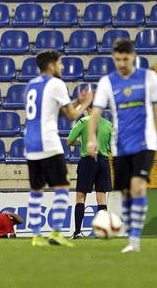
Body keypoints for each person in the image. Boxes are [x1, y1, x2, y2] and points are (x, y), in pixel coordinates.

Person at [87, 37, 157, 254]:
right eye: (118, 59)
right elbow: (95, 113)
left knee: (138, 186)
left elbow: (155, 109)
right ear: (113, 58)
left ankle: (134, 240)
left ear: (134, 57)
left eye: (125, 59)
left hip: (145, 142)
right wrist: (91, 138)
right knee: (126, 193)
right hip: (120, 145)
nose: (122, 63)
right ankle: (130, 234)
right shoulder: (107, 82)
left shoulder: (149, 78)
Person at [24, 50, 92, 248]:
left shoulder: (31, 85)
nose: (62, 67)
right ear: (52, 66)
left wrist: (76, 101)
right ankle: (55, 233)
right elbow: (71, 116)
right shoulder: (56, 83)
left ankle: (36, 236)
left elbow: (50, 111)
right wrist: (85, 103)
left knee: (36, 190)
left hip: (30, 144)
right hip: (49, 143)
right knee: (62, 186)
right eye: (60, 64)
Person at [67, 108, 112, 239]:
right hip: (103, 162)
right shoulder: (108, 124)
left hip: (87, 162)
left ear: (88, 108)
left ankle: (78, 232)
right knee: (101, 198)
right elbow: (111, 147)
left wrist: (81, 142)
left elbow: (69, 141)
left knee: (81, 197)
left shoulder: (84, 121)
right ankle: (102, 232)